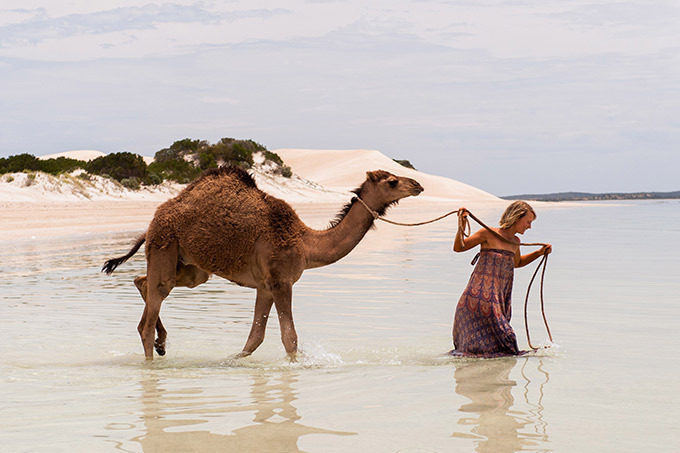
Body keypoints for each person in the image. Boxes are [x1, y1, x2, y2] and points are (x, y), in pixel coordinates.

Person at [449, 201, 552, 357]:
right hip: (479, 298)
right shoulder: (487, 233)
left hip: (498, 299)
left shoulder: (515, 242)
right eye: (528, 222)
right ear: (517, 218)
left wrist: (538, 253)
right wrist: (461, 225)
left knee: (490, 347)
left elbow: (517, 263)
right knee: (506, 338)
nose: (529, 226)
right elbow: (459, 247)